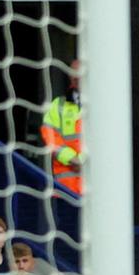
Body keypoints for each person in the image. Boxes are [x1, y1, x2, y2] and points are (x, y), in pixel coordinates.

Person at [39, 60, 82, 195]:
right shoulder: (58, 105)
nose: (75, 77)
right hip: (66, 190)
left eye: (79, 73)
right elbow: (50, 137)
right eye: (73, 73)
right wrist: (72, 159)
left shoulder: (105, 104)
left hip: (97, 190)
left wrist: (83, 161)